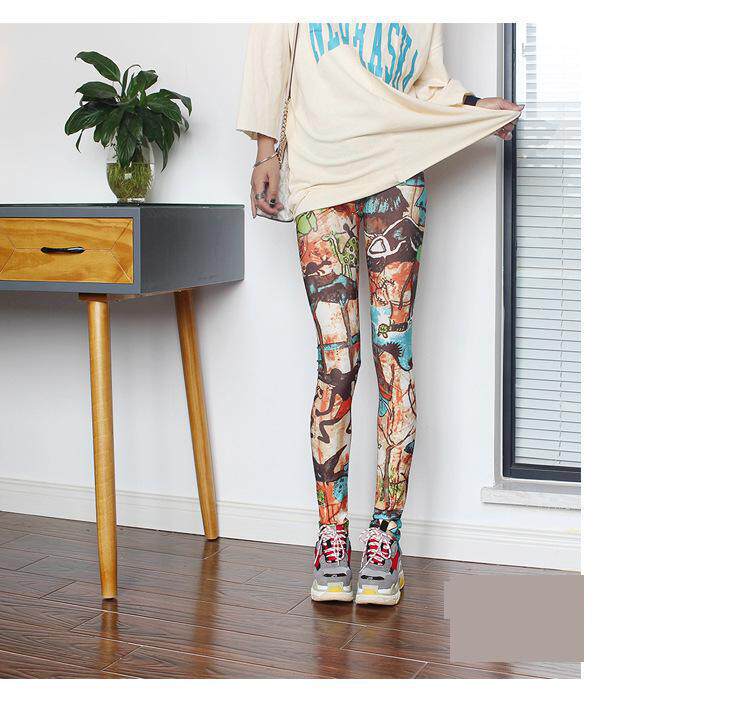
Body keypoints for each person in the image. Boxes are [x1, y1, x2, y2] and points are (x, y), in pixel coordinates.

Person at [237, 22, 522, 606]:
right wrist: (266, 152)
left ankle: (384, 538)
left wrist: (473, 106)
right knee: (337, 364)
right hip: (320, 175)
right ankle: (332, 536)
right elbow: (272, 53)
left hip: (397, 174)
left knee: (395, 356)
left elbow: (429, 84)